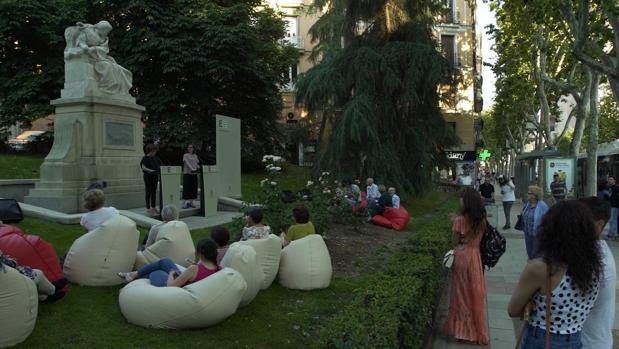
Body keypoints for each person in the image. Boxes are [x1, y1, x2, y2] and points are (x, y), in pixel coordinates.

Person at [508, 200, 602, 349]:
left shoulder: (542, 268)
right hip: (575, 339)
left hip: (542, 339)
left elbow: (513, 310)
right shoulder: (594, 267)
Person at [444, 188, 489, 345]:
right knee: (475, 292)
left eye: (461, 198)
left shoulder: (459, 221)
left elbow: (455, 243)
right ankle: (477, 331)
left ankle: (463, 331)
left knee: (461, 294)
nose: (460, 200)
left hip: (462, 257)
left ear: (466, 201)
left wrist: (456, 222)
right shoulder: (482, 219)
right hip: (475, 257)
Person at [579, 197, 615, 349]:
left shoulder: (597, 263)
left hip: (589, 343)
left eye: (580, 220)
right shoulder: (596, 250)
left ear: (599, 225)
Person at [63, 21, 132, 95]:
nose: (106, 33)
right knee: (107, 66)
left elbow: (104, 49)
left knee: (119, 69)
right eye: (106, 31)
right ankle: (107, 87)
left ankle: (118, 90)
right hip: (89, 57)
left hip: (98, 57)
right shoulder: (87, 30)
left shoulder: (104, 38)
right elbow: (79, 41)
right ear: (101, 29)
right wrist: (84, 47)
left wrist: (94, 49)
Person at [119, 239, 220, 287]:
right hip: (184, 280)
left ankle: (132, 282)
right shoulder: (218, 268)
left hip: (178, 288)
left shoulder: (194, 269)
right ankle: (133, 275)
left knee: (156, 272)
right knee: (165, 261)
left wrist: (171, 273)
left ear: (201, 253)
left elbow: (171, 286)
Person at [0, 251, 65, 302]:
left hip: (7, 283)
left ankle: (44, 296)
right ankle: (52, 291)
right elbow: (11, 265)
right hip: (11, 281)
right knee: (38, 273)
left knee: (32, 275)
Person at [521, 185, 549, 259]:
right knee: (529, 253)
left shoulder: (542, 206)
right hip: (527, 233)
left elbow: (548, 220)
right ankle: (532, 265)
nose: (528, 194)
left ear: (534, 195)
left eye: (529, 193)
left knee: (536, 254)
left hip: (537, 234)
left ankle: (535, 267)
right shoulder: (528, 204)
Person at [140, 143, 162, 216]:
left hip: (155, 177)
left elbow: (161, 165)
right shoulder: (145, 158)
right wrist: (150, 170)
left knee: (154, 192)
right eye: (154, 151)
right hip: (148, 177)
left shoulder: (156, 158)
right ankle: (148, 208)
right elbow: (143, 167)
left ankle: (153, 207)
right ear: (150, 151)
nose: (155, 152)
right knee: (148, 192)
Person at [182, 144, 200, 209]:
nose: (189, 148)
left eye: (191, 147)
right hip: (187, 174)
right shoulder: (185, 155)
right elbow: (187, 163)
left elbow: (197, 163)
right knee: (186, 188)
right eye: (188, 147)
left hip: (194, 174)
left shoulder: (195, 156)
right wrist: (192, 168)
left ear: (193, 148)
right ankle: (183, 203)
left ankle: (191, 202)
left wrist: (198, 167)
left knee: (194, 188)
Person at [607, 175, 618, 240]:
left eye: (611, 179)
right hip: (611, 205)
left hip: (615, 206)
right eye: (609, 179)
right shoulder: (610, 187)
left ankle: (612, 235)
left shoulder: (616, 187)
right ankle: (611, 234)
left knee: (613, 220)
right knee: (612, 220)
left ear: (614, 180)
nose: (610, 180)